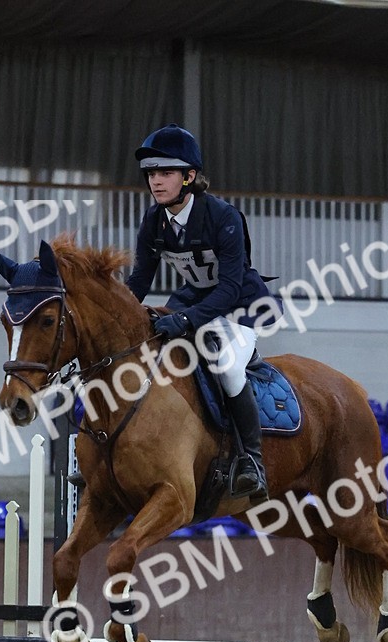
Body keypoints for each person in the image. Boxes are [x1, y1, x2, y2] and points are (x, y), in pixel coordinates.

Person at [126, 123, 281, 501]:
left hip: (238, 305)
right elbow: (139, 281)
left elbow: (228, 288)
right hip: (193, 300)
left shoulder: (223, 217)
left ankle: (252, 462)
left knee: (226, 366)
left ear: (189, 176)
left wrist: (185, 318)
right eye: (151, 174)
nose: (156, 182)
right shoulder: (153, 221)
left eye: (166, 173)